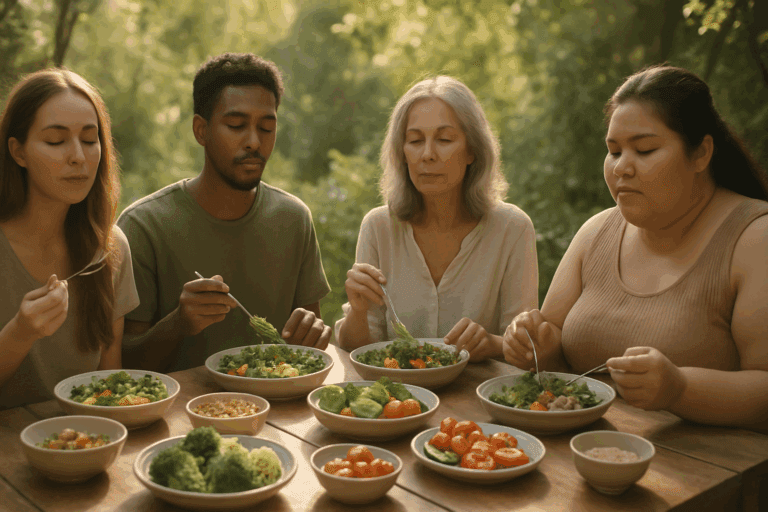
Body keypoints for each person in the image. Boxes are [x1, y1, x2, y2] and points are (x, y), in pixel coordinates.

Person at [503, 65, 768, 429]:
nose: (622, 168)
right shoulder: (596, 232)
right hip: (582, 459)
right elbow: (553, 355)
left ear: (701, 153)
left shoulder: (755, 238)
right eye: (613, 151)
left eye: (644, 150)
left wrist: (681, 389)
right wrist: (537, 348)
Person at [118, 53, 332, 373]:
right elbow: (120, 363)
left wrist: (313, 334)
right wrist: (178, 323)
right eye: (236, 125)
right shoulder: (143, 226)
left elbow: (307, 342)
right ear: (201, 131)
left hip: (278, 414)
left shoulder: (294, 219)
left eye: (267, 128)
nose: (254, 142)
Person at [336, 76, 538, 362]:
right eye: (415, 141)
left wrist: (490, 344)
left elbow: (526, 348)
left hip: (478, 401)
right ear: (402, 153)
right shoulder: (378, 227)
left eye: (444, 140)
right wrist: (357, 312)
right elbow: (354, 351)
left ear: (472, 150)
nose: (428, 155)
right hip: (400, 400)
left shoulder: (513, 228)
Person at [0, 68, 139, 409]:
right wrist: (20, 333)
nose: (78, 156)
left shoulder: (111, 248)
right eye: (56, 141)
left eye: (90, 140)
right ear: (18, 152)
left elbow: (110, 386)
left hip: (85, 444)